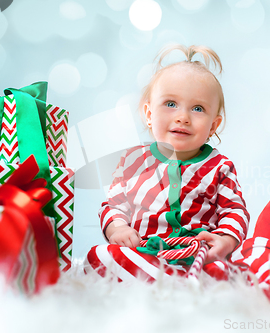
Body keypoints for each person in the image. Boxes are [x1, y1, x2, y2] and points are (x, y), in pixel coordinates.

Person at [86, 45, 249, 282]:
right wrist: (118, 228)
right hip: (146, 250)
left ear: (213, 126)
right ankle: (163, 279)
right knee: (100, 255)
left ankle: (172, 280)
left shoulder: (219, 166)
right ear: (149, 114)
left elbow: (234, 210)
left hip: (197, 255)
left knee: (229, 273)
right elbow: (113, 205)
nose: (182, 117)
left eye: (197, 108)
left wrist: (224, 240)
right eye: (170, 104)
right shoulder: (133, 160)